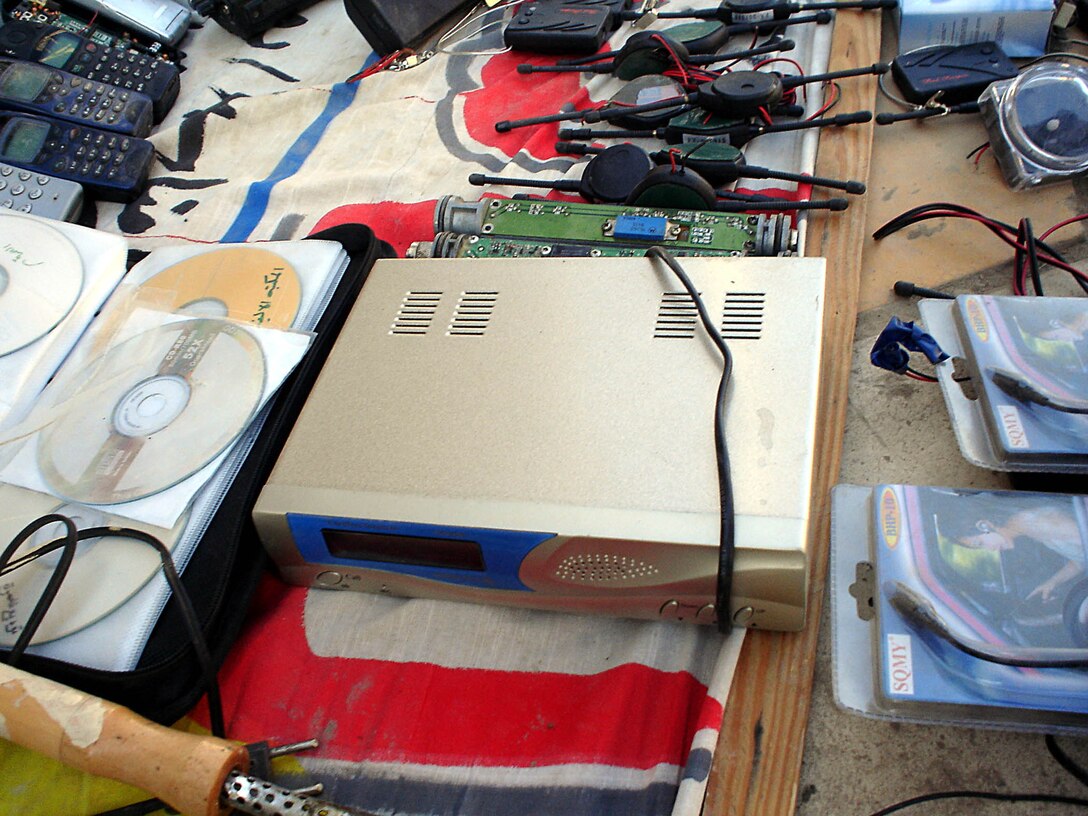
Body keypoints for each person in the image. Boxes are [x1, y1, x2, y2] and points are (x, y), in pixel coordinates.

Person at [942, 502, 1086, 603]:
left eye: (981, 543)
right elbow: (1081, 557)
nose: (990, 549)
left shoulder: (1038, 522)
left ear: (985, 525)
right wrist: (1052, 583)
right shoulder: (1027, 527)